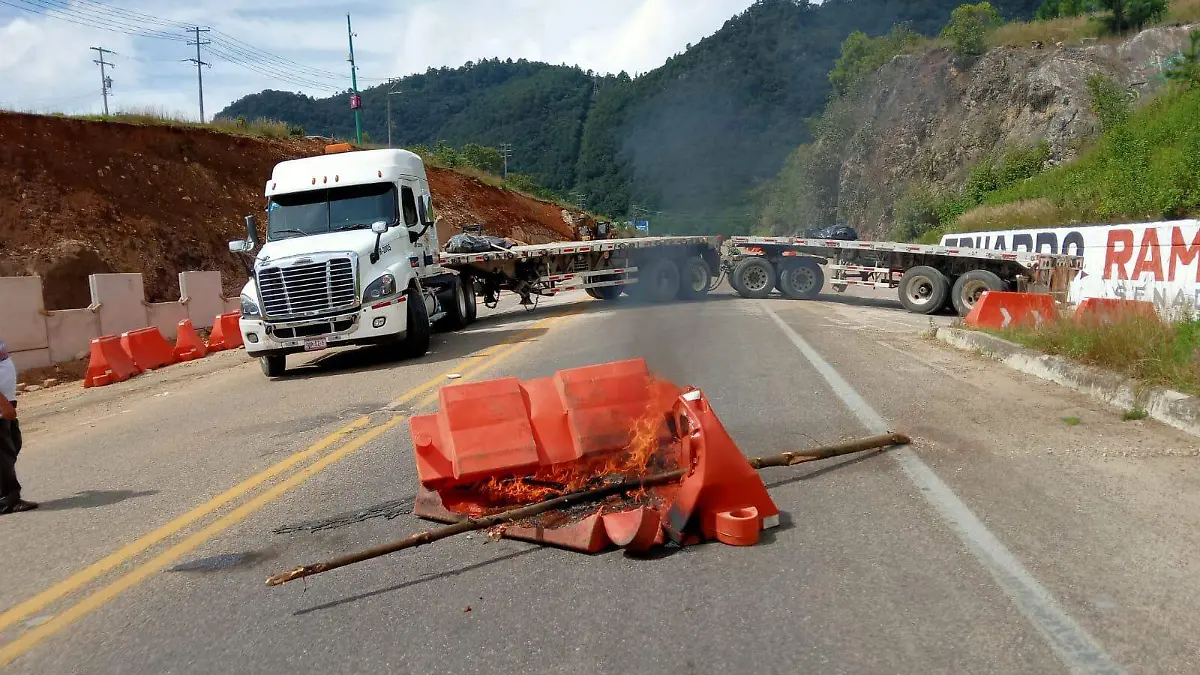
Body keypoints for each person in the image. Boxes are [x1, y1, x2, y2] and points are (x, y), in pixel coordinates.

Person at [0, 340, 36, 514]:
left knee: (14, 442)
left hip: (6, 401)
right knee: (3, 451)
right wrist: (2, 404)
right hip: (1, 404)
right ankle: (7, 499)